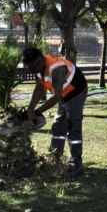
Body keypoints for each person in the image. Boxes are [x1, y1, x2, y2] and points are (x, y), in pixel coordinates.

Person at [22, 47, 88, 177]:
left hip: (76, 92)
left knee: (72, 125)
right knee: (58, 124)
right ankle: (55, 156)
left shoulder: (56, 68)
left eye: (34, 66)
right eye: (29, 67)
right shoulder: (38, 68)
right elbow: (39, 89)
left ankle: (76, 163)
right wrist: (30, 109)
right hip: (64, 94)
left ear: (40, 59)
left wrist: (37, 112)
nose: (32, 69)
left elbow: (57, 97)